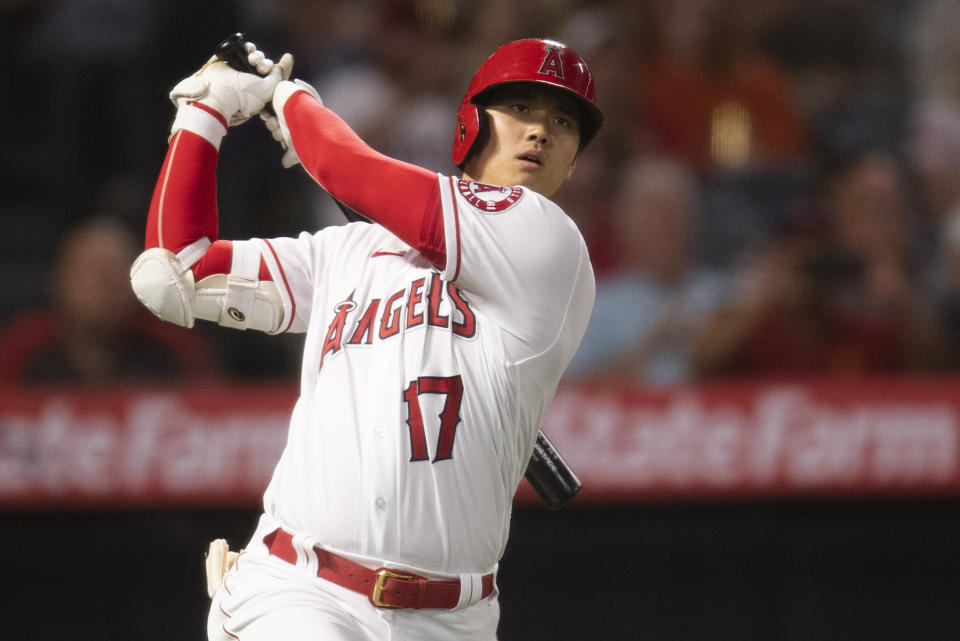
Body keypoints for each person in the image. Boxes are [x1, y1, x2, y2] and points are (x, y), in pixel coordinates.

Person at [129, 37, 602, 640]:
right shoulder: (351, 249)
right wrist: (204, 111)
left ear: (575, 158)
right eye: (521, 109)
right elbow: (176, 273)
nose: (540, 132)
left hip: (452, 618)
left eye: (563, 122)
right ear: (471, 124)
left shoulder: (548, 241)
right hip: (297, 591)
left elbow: (346, 168)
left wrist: (290, 98)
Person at [564, 155, 729, 384]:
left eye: (672, 215)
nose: (662, 228)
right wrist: (649, 347)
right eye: (651, 216)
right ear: (625, 224)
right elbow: (571, 395)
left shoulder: (724, 295)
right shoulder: (595, 305)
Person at [0, 215, 219, 385]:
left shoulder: (172, 343)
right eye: (89, 270)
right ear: (57, 279)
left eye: (117, 271)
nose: (105, 284)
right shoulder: (23, 347)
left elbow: (213, 414)